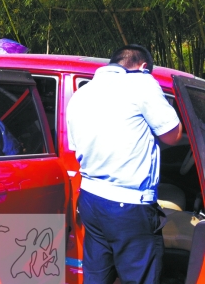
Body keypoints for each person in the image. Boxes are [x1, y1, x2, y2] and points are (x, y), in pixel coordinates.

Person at [66, 44, 183, 284]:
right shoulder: (141, 83)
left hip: (90, 199)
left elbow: (76, 147)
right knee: (140, 276)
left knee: (97, 276)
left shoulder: (81, 94)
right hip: (128, 205)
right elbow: (173, 135)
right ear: (142, 67)